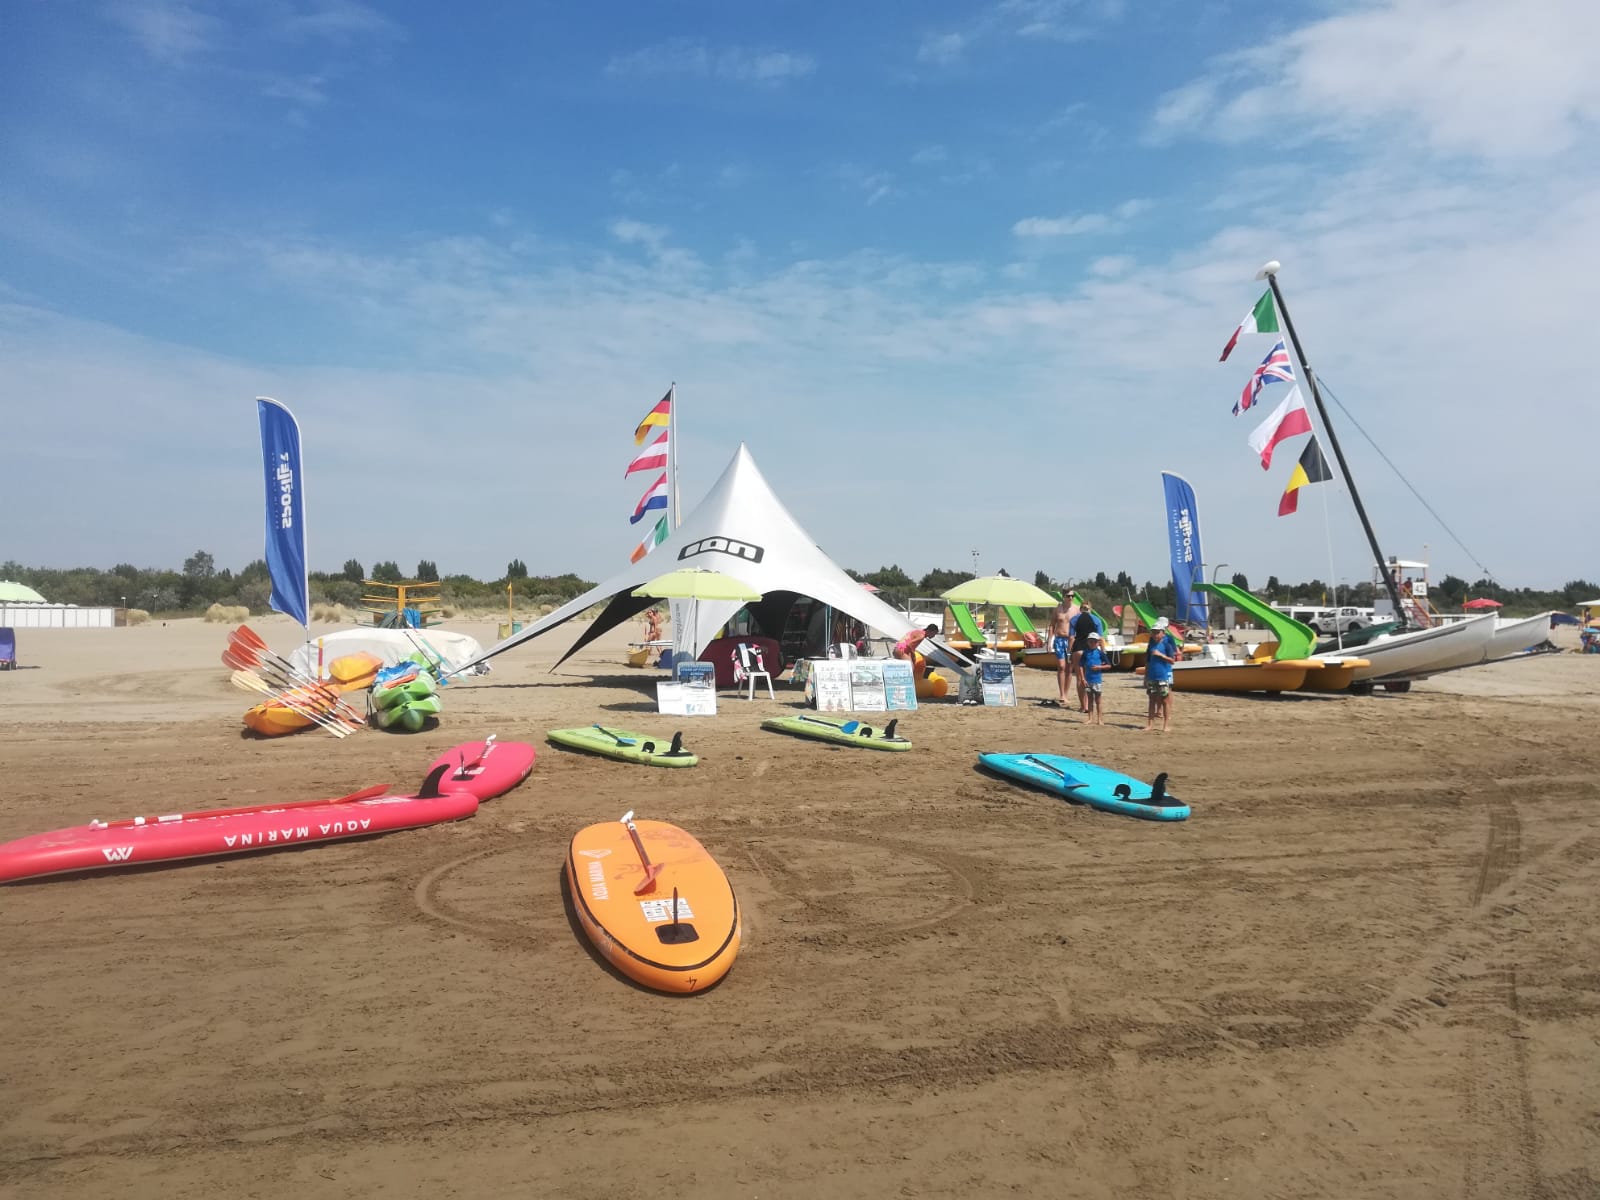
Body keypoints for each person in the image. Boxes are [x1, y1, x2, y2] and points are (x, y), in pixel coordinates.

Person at [1144, 617, 1180, 732]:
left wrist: (1160, 655)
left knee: (1165, 699)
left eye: (1157, 632)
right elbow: (1148, 661)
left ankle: (1166, 724)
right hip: (1152, 676)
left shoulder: (1167, 642)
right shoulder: (1151, 644)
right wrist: (1145, 676)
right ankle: (1150, 724)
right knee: (1152, 700)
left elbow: (1172, 660)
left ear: (1163, 632)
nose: (1154, 634)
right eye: (1153, 632)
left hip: (1163, 675)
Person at [1069, 600, 1106, 713]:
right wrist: (1103, 654)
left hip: (1078, 648)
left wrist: (1069, 653)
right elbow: (1100, 639)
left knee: (1080, 678)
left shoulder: (1074, 619)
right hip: (1090, 649)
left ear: (1080, 609)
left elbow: (1071, 638)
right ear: (1091, 609)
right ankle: (1091, 706)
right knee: (1090, 677)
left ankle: (1083, 706)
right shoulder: (1096, 619)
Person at [1047, 596, 1075, 706]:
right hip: (1059, 639)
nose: (1071, 598)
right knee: (1061, 666)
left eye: (1072, 596)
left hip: (1071, 640)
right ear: (1064, 597)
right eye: (1068, 596)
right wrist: (1049, 641)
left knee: (1069, 668)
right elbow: (1052, 625)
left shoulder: (1076, 609)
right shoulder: (1057, 609)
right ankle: (1062, 694)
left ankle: (1066, 694)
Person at [1081, 630, 1110, 725]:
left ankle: (1100, 719)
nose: (1092, 643)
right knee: (1089, 700)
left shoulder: (1100, 653)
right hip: (1088, 679)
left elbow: (1109, 665)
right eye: (1090, 641)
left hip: (1097, 680)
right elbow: (1080, 665)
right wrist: (1082, 678)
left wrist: (1099, 667)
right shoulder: (1085, 653)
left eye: (1094, 641)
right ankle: (1090, 718)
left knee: (1098, 701)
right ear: (1087, 642)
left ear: (1098, 642)